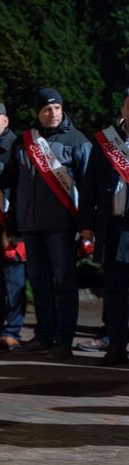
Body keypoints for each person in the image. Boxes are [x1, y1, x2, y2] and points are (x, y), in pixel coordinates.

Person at [2, 88, 90, 359]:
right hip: (31, 225)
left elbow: (87, 187)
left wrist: (85, 226)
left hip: (62, 226)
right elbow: (13, 184)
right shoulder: (23, 142)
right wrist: (14, 224)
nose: (53, 114)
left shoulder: (77, 140)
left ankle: (63, 340)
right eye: (47, 110)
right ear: (38, 113)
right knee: (39, 282)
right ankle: (43, 335)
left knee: (64, 283)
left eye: (57, 109)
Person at [78, 89, 129, 366]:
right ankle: (117, 346)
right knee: (116, 290)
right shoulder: (106, 143)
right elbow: (90, 187)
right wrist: (86, 223)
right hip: (114, 228)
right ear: (122, 110)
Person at [0, 101, 26, 350]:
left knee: (14, 279)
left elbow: (19, 183)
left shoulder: (17, 146)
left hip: (11, 220)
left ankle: (12, 329)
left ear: (5, 120)